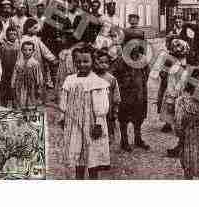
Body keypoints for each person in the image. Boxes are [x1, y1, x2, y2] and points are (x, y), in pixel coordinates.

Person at [59, 45, 110, 179]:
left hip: (91, 123)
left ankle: (93, 178)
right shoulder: (70, 80)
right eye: (79, 61)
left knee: (92, 154)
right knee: (77, 152)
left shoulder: (97, 82)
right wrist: (63, 116)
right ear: (75, 62)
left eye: (86, 61)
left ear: (93, 62)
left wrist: (98, 123)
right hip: (74, 123)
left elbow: (101, 106)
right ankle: (79, 178)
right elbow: (64, 99)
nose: (82, 64)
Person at [111, 29, 150, 152]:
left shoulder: (142, 59)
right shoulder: (121, 60)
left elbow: (147, 72)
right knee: (124, 118)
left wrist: (142, 85)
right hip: (125, 94)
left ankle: (138, 138)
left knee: (139, 117)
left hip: (139, 93)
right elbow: (114, 75)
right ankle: (124, 140)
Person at [159, 38, 191, 156]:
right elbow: (165, 76)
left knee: (181, 120)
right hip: (172, 92)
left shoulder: (185, 66)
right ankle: (181, 144)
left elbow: (182, 83)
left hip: (180, 95)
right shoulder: (171, 62)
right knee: (178, 121)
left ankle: (182, 146)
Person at [18, 18, 57, 102]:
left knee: (39, 82)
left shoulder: (36, 39)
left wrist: (52, 58)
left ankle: (38, 100)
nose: (37, 30)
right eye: (34, 28)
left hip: (38, 65)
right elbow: (20, 54)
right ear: (28, 28)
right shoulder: (22, 40)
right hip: (27, 66)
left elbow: (44, 50)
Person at [94, 49, 121, 145]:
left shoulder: (111, 79)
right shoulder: (92, 77)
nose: (103, 65)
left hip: (108, 109)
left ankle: (107, 142)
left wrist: (115, 110)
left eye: (106, 62)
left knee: (108, 126)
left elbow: (116, 95)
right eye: (100, 62)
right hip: (95, 109)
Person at [11, 41, 44, 108]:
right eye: (25, 50)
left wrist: (39, 87)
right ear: (22, 50)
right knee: (21, 101)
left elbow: (39, 76)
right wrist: (13, 84)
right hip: (20, 86)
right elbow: (14, 75)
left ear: (33, 51)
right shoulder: (18, 63)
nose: (27, 52)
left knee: (31, 102)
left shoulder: (35, 63)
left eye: (30, 50)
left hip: (32, 86)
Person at [0, 26, 20, 107]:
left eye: (14, 34)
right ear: (7, 35)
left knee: (15, 90)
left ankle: (15, 107)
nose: (12, 36)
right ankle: (4, 107)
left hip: (16, 71)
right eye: (10, 34)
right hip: (5, 71)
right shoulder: (3, 46)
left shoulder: (19, 45)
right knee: (5, 90)